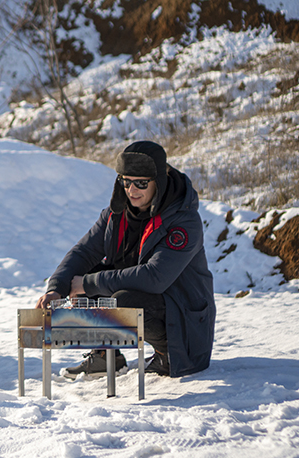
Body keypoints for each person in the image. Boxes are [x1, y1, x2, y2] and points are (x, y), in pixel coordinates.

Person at [35, 140, 215, 378]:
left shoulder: (184, 221)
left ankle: (168, 353)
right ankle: (106, 354)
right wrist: (56, 288)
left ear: (158, 182)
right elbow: (83, 252)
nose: (131, 190)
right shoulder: (115, 214)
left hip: (183, 319)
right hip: (150, 298)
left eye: (141, 183)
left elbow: (155, 278)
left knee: (121, 299)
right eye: (126, 181)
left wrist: (89, 283)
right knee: (84, 278)